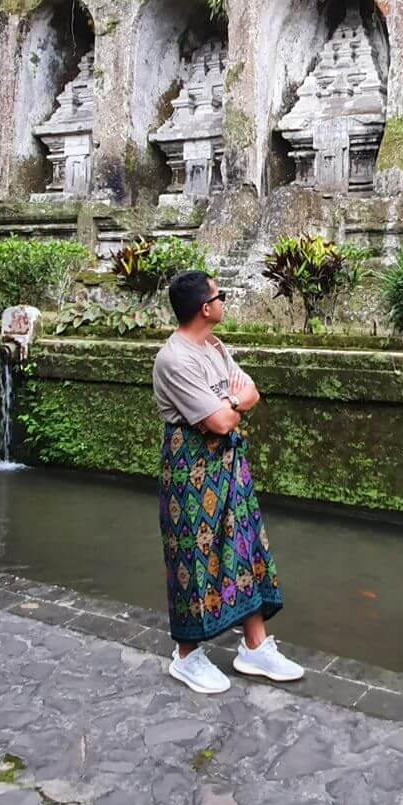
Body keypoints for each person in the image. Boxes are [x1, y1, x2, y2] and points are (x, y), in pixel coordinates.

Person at [152, 269, 304, 695]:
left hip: (228, 463)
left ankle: (254, 645)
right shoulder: (175, 358)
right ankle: (186, 656)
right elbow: (220, 419)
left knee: (244, 542)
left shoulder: (216, 347)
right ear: (205, 308)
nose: (224, 302)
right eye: (221, 297)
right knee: (192, 553)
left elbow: (251, 392)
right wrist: (235, 403)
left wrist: (233, 403)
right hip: (191, 467)